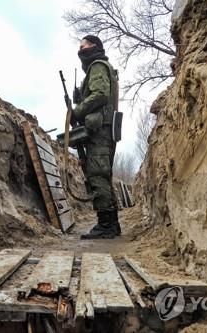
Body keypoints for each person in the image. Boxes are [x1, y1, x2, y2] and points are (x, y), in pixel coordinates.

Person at [71, 35, 121, 239]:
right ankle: (112, 224)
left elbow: (100, 94)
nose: (81, 49)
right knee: (103, 174)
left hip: (100, 130)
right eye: (80, 46)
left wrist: (76, 111)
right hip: (104, 129)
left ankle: (106, 226)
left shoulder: (98, 65)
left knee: (97, 174)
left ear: (95, 47)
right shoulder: (100, 67)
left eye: (85, 46)